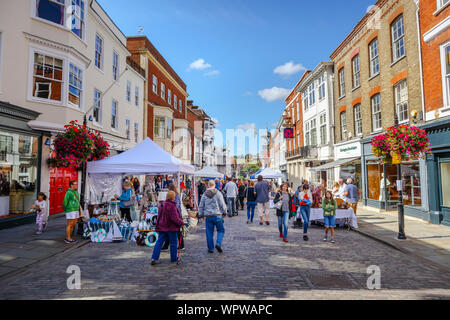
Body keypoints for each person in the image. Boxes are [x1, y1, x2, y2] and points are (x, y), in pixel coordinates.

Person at [151, 191, 185, 266]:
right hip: (171, 227)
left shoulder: (161, 205)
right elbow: (174, 218)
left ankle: (154, 258)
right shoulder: (172, 206)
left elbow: (158, 217)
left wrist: (157, 226)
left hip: (162, 227)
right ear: (173, 197)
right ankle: (173, 258)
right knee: (173, 243)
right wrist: (182, 223)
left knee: (159, 242)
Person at [198, 180, 227, 254]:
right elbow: (222, 204)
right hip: (218, 215)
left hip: (208, 216)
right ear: (214, 185)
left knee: (209, 233)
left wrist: (201, 215)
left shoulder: (204, 194)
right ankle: (218, 243)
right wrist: (224, 212)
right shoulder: (218, 193)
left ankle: (211, 249)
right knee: (221, 230)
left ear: (208, 185)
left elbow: (201, 205)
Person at [162, 184, 184, 251]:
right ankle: (166, 245)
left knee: (177, 231)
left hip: (176, 214)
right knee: (170, 230)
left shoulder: (176, 196)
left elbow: (176, 206)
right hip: (174, 214)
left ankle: (181, 245)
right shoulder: (176, 195)